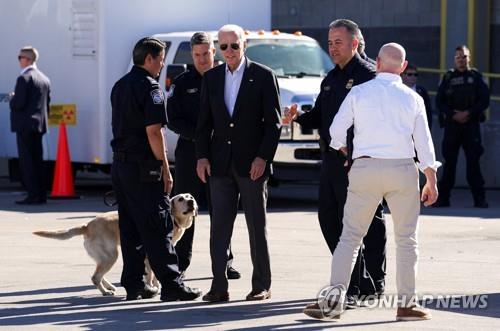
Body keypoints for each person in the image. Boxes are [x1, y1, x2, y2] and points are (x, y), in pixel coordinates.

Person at [304, 42, 439, 321]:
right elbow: (424, 143)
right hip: (403, 169)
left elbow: (335, 131)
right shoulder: (413, 98)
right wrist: (431, 178)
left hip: (364, 167)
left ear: (376, 63)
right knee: (406, 240)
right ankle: (406, 304)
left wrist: (344, 149)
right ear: (403, 67)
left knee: (350, 237)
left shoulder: (359, 92)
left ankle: (334, 299)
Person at [285, 19, 386, 304]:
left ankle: (369, 281)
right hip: (330, 163)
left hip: (358, 162)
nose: (332, 48)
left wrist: (353, 150)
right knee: (329, 220)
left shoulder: (368, 75)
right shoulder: (330, 79)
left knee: (367, 223)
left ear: (355, 43)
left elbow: (374, 120)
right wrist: (298, 117)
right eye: (329, 43)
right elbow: (320, 117)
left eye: (338, 42)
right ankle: (358, 279)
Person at [110, 37, 201, 302]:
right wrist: (164, 166)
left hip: (121, 165)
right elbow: (153, 131)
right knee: (158, 225)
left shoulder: (120, 85)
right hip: (143, 168)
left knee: (130, 226)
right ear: (148, 59)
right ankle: (172, 285)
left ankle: (135, 283)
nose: (162, 64)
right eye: (160, 59)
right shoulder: (152, 89)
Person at [195, 24, 281, 302]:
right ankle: (218, 286)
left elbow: (274, 124)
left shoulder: (264, 76)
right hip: (220, 164)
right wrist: (202, 156)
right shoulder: (212, 78)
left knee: (257, 226)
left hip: (252, 165)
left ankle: (261, 285)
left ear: (244, 45)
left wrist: (263, 157)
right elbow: (203, 123)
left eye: (234, 45)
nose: (229, 51)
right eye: (223, 46)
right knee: (219, 227)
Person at [166, 31, 241, 280]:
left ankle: (224, 262)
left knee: (222, 210)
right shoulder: (182, 82)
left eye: (205, 53)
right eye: (196, 55)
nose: (201, 59)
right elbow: (172, 119)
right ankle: (180, 264)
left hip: (220, 153)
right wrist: (198, 136)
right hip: (190, 153)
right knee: (185, 211)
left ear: (214, 51)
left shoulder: (226, 79)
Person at [434, 45, 490, 208]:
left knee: (473, 163)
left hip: (471, 125)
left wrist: (469, 113)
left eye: (464, 57)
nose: (461, 60)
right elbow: (439, 102)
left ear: (469, 58)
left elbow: (484, 100)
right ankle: (443, 199)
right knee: (449, 163)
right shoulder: (448, 77)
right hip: (452, 126)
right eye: (458, 57)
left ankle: (479, 199)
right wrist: (453, 114)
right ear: (454, 59)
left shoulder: (476, 76)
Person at [9, 46, 51, 205]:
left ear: (26, 59)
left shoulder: (24, 78)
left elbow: (18, 104)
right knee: (37, 160)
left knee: (27, 162)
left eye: (20, 58)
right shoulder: (44, 78)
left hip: (24, 126)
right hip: (39, 126)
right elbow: (47, 104)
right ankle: (41, 194)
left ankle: (32, 195)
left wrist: (13, 98)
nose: (19, 61)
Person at [402, 63, 433, 129]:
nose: (413, 77)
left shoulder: (422, 91)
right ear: (403, 75)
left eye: (415, 75)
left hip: (417, 127)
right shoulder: (398, 90)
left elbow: (428, 112)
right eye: (409, 74)